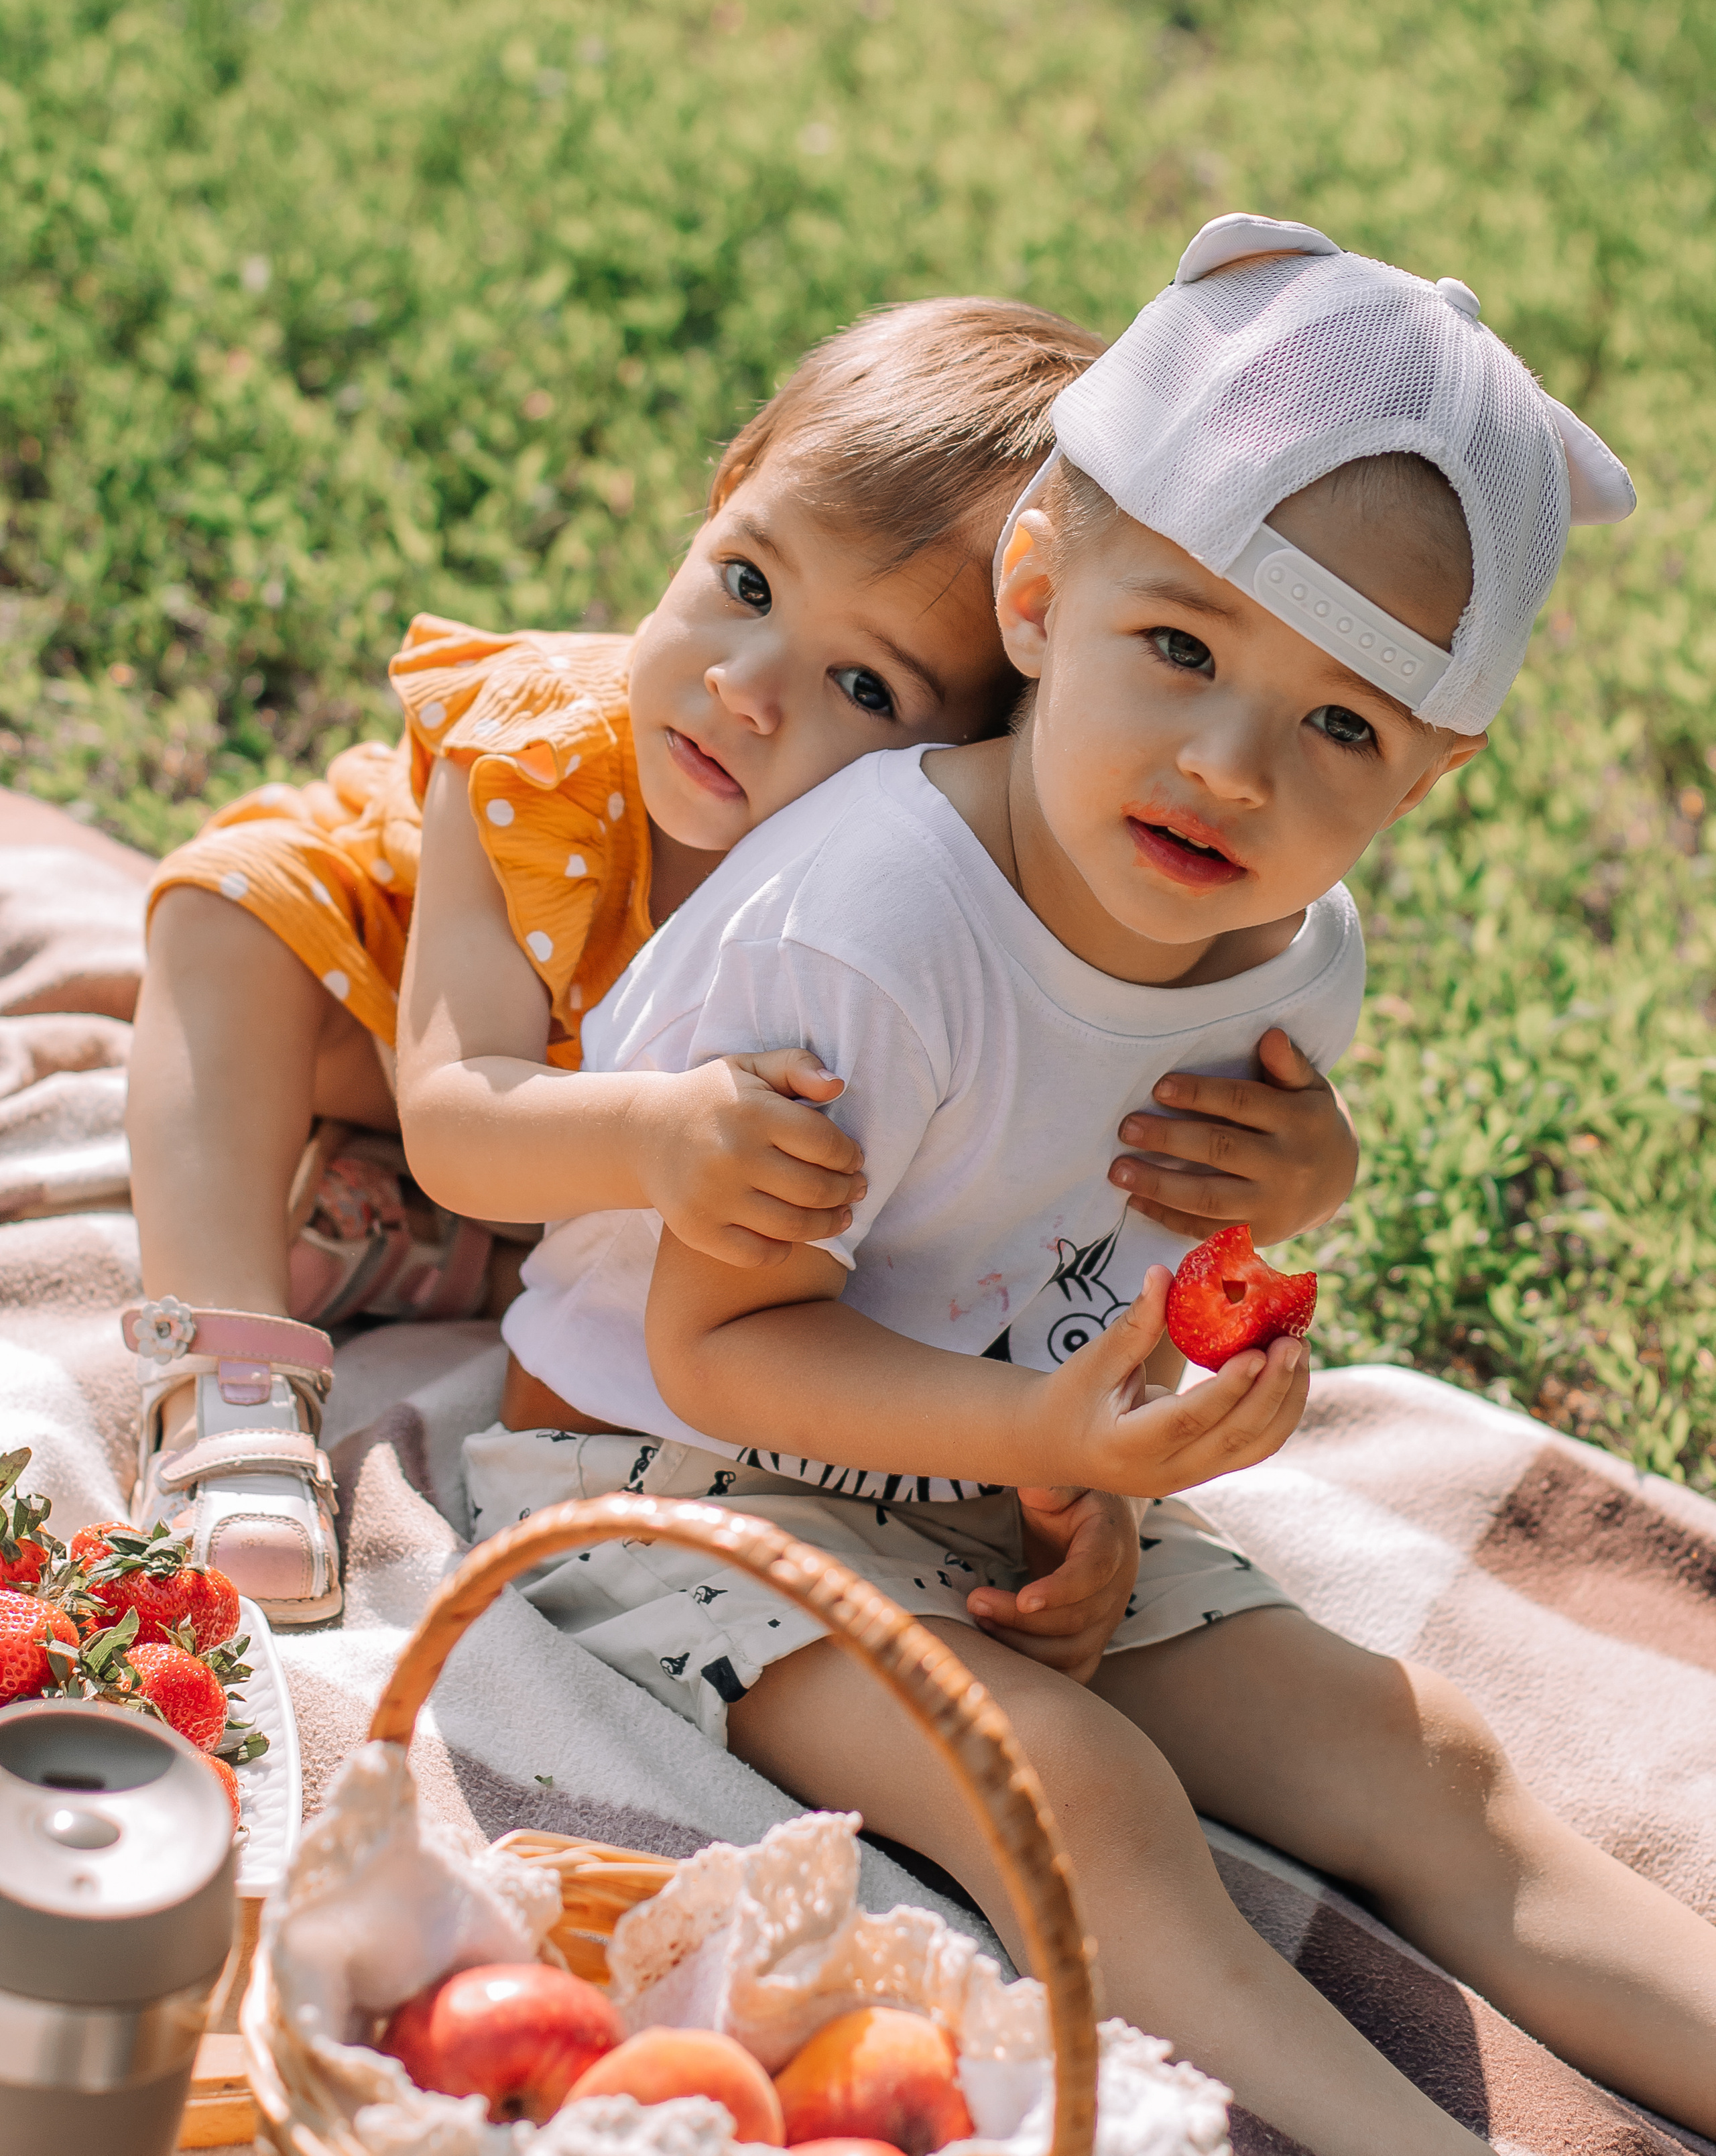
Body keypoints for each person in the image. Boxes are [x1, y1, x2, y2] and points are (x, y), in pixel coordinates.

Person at [406, 217, 1716, 2153]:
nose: (1227, 766)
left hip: (984, 1473)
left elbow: (1078, 1244)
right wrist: (1049, 1437)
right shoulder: (872, 934)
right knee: (1075, 1792)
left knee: (1420, 1754)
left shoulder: (1289, 953)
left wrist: (1151, 1380)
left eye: (1338, 723)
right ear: (1039, 587)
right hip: (658, 1476)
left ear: (1430, 772)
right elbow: (723, 1343)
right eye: (1178, 646)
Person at [121, 292, 1362, 1627]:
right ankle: (231, 1363)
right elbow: (455, 1113)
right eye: (747, 584)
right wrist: (653, 1139)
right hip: (385, 1020)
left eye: (866, 688)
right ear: (721, 497)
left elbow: (1076, 1148)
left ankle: (440, 1254)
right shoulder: (532, 762)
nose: (747, 688)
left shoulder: (915, 917)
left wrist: (1310, 1165)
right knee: (226, 915)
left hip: (610, 1179)